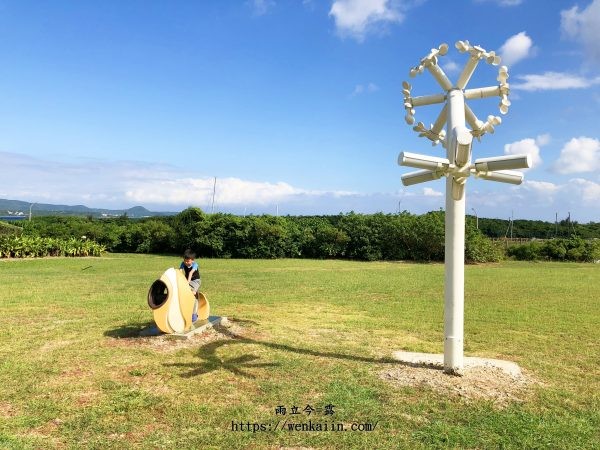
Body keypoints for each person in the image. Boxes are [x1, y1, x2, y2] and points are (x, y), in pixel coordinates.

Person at [180, 249, 201, 322]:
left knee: (193, 294)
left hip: (195, 281)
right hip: (187, 280)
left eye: (188, 261)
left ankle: (194, 314)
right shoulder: (183, 263)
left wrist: (187, 282)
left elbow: (191, 273)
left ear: (192, 260)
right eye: (185, 261)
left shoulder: (195, 264)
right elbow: (180, 271)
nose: (186, 263)